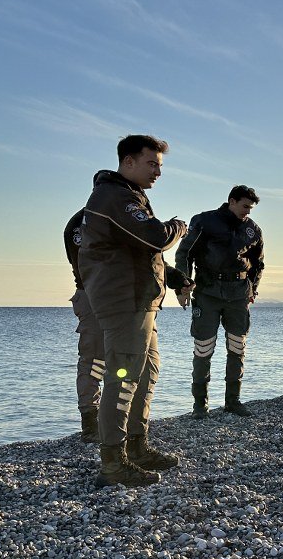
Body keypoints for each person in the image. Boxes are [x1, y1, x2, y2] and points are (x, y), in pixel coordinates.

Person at [78, 134, 193, 488]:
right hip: (124, 303)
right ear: (128, 161)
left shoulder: (128, 196)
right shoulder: (115, 197)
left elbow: (141, 252)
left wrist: (173, 278)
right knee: (124, 377)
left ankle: (137, 446)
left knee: (146, 373)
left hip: (141, 301)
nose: (158, 171)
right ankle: (113, 463)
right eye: (151, 163)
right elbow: (155, 237)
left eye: (160, 165)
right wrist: (178, 227)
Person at [174, 185, 264, 419]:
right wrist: (183, 286)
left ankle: (233, 401)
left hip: (239, 295)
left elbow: (258, 264)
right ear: (232, 201)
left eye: (251, 208)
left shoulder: (253, 230)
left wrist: (253, 289)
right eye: (245, 206)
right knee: (203, 348)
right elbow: (184, 254)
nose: (248, 212)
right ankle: (199, 405)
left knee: (237, 347)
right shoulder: (204, 221)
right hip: (207, 292)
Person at [63, 207, 103, 443]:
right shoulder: (80, 223)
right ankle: (90, 423)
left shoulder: (115, 214)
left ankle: (117, 418)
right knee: (94, 360)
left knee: (125, 360)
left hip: (119, 297)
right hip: (93, 295)